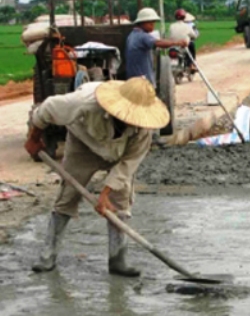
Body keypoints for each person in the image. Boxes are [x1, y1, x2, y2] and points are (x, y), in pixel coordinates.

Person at [25, 77, 171, 277]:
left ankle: (118, 259)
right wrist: (34, 139)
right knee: (67, 196)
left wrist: (106, 193)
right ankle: (47, 255)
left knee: (120, 201)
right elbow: (46, 109)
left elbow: (128, 164)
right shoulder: (85, 103)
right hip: (83, 144)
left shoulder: (144, 129)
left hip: (118, 154)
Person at [126, 7, 188, 86]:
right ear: (144, 22)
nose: (153, 25)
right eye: (151, 23)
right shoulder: (143, 36)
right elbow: (158, 43)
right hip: (143, 80)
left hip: (133, 79)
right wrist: (177, 43)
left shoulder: (132, 35)